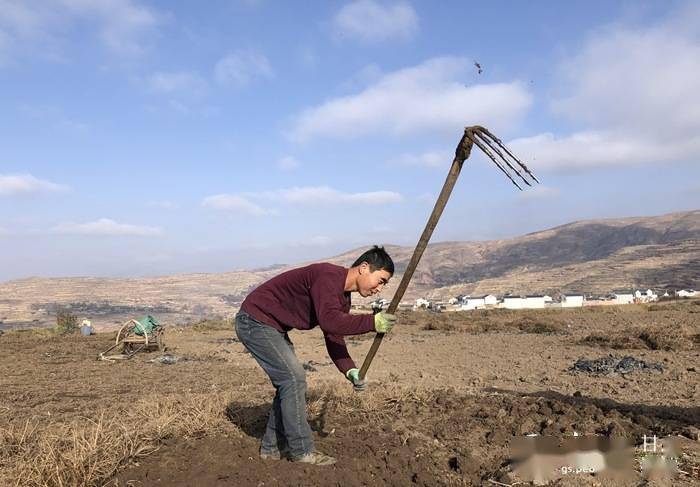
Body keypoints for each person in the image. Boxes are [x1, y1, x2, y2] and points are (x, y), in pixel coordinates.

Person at [234, 245, 398, 465]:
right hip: (254, 320)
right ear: (364, 267)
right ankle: (302, 452)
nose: (380, 289)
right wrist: (371, 322)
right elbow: (331, 320)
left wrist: (350, 370)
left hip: (272, 327)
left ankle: (271, 449)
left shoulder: (343, 298)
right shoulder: (328, 277)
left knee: (288, 383)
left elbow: (333, 334)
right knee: (293, 379)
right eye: (381, 280)